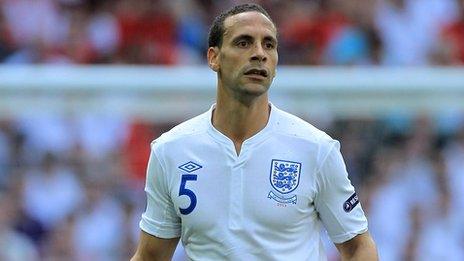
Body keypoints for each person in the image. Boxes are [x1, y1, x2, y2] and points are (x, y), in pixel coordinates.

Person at [131, 3, 378, 260]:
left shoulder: (316, 148)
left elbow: (358, 246)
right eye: (243, 43)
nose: (259, 53)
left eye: (269, 45)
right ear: (214, 57)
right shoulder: (171, 150)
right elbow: (150, 255)